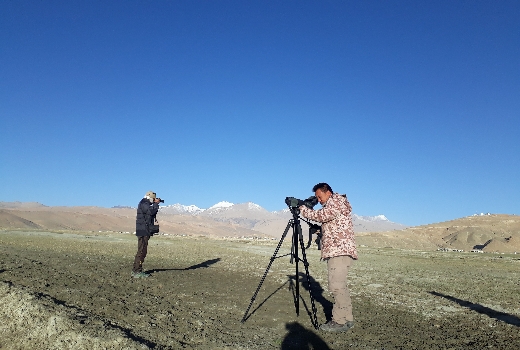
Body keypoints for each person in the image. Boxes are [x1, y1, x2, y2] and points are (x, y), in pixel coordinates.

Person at [299, 183, 358, 332]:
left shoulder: (336, 201)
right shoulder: (337, 204)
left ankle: (338, 321)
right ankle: (347, 318)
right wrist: (321, 230)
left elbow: (322, 216)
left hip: (339, 251)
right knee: (341, 286)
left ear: (328, 193)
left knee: (336, 286)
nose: (318, 200)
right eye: (317, 197)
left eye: (320, 196)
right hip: (339, 250)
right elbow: (333, 224)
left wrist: (302, 209)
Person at [132, 191, 160, 278]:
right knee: (141, 251)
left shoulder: (144, 203)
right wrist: (156, 204)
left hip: (144, 230)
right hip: (143, 231)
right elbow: (151, 211)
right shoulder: (144, 203)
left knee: (142, 250)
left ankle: (136, 270)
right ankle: (137, 271)